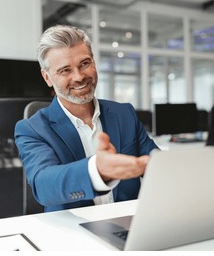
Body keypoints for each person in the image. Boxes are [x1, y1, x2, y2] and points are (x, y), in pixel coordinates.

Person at [14, 24, 158, 212]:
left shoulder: (125, 114)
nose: (79, 77)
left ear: (94, 62)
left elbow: (158, 165)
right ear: (47, 77)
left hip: (129, 225)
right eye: (65, 70)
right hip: (74, 232)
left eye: (85, 64)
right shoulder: (31, 129)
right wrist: (97, 171)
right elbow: (43, 185)